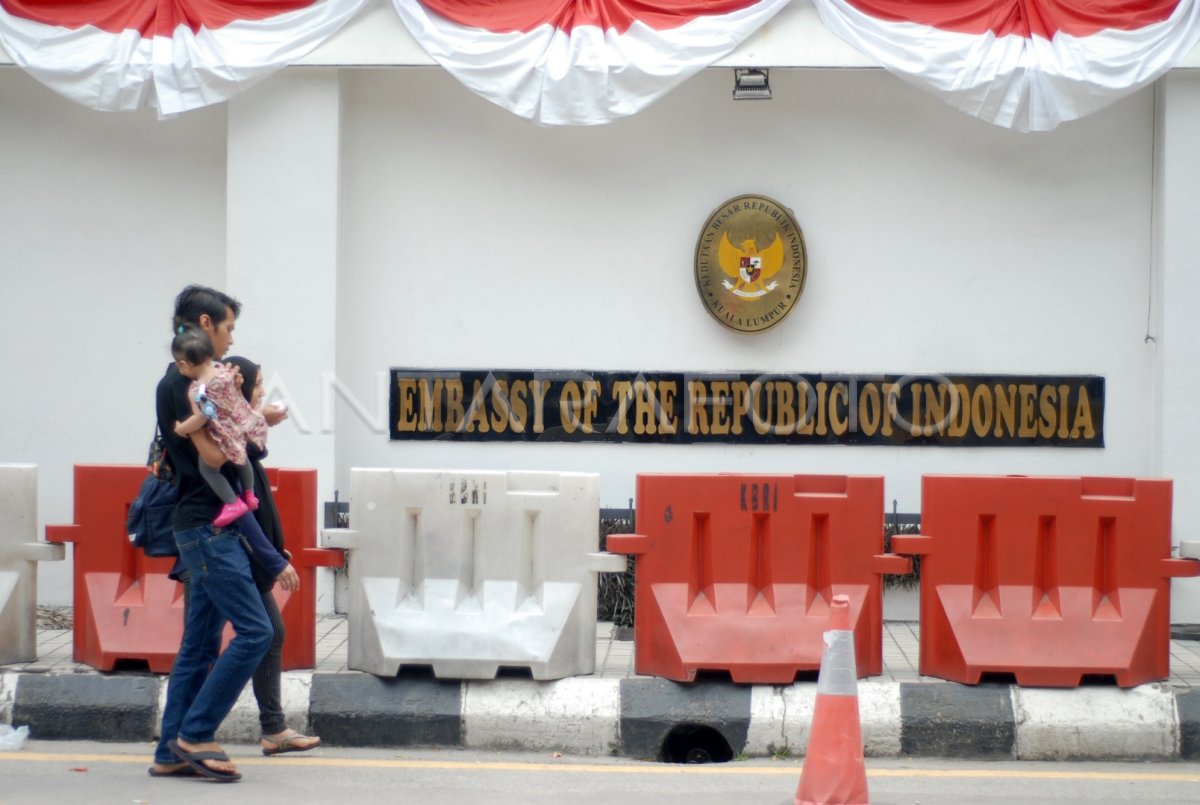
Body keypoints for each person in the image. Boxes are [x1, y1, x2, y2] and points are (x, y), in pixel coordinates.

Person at [150, 285, 299, 782]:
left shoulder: (183, 381)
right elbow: (215, 458)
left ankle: (171, 750)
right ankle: (196, 732)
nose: (231, 337)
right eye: (229, 327)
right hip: (208, 529)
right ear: (207, 324)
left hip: (205, 528)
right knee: (256, 631)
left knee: (198, 645)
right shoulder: (188, 387)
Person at [222, 354, 321, 756]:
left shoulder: (238, 441)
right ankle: (194, 726)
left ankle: (273, 728)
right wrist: (271, 558)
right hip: (228, 558)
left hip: (251, 557)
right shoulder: (223, 442)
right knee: (241, 637)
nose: (263, 391)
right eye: (257, 384)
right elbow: (236, 511)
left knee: (269, 632)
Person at [171, 326, 267, 527]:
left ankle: (232, 502)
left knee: (209, 470)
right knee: (242, 459)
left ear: (184, 365)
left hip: (224, 434)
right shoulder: (226, 372)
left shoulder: (198, 389)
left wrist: (182, 428)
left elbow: (201, 417)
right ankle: (249, 493)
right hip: (242, 424)